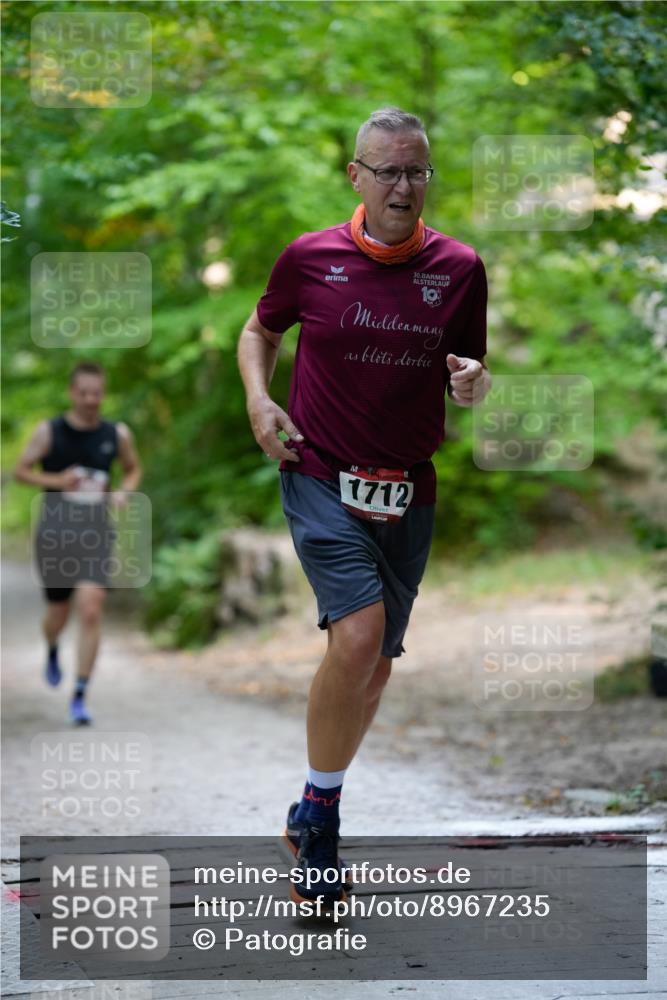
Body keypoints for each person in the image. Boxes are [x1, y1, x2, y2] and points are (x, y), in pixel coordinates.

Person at [238, 107, 491, 905]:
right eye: (387, 171)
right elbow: (258, 330)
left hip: (407, 484)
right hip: (320, 469)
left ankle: (314, 803)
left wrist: (473, 383)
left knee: (374, 668)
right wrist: (258, 400)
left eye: (416, 171)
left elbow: (469, 365)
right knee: (358, 635)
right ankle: (320, 823)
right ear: (356, 176)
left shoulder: (459, 267)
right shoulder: (310, 258)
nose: (404, 186)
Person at [14, 361, 142, 725]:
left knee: (90, 607)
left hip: (97, 532)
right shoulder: (48, 431)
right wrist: (58, 480)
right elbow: (21, 471)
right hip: (55, 534)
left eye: (97, 393)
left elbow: (132, 468)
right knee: (58, 613)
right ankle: (53, 647)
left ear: (103, 394)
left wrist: (123, 492)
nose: (90, 400)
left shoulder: (116, 433)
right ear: (72, 392)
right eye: (83, 392)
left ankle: (80, 695)